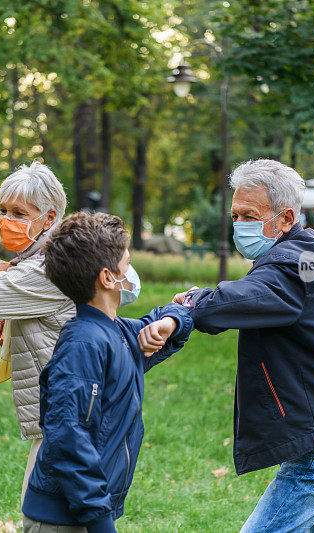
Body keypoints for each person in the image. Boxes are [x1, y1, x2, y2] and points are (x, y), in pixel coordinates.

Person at [174, 159, 314, 532]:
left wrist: (188, 305)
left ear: (286, 219)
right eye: (235, 215)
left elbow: (241, 299)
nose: (239, 225)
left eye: (249, 215)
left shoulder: (288, 267)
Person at [22, 212, 193, 533]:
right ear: (107, 277)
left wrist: (170, 322)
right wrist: (100, 521)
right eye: (127, 264)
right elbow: (68, 439)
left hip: (86, 513)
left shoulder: (120, 333)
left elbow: (176, 322)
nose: (131, 271)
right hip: (63, 518)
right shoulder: (82, 346)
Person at [0, 162, 76, 503]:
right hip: (66, 411)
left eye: (19, 213)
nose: (6, 220)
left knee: (43, 515)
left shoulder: (46, 268)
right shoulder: (41, 258)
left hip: (72, 415)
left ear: (49, 218)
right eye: (3, 210)